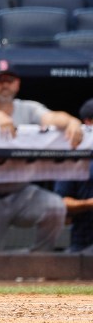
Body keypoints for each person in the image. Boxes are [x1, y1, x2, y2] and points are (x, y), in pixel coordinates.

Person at [0, 60, 80, 252]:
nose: (5, 85)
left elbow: (52, 118)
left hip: (24, 192)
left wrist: (72, 122)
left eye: (10, 80)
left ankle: (39, 263)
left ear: (17, 84)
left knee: (55, 207)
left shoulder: (29, 108)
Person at [54, 99, 93, 253]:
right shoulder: (75, 159)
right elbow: (60, 203)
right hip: (84, 243)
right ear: (88, 122)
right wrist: (89, 203)